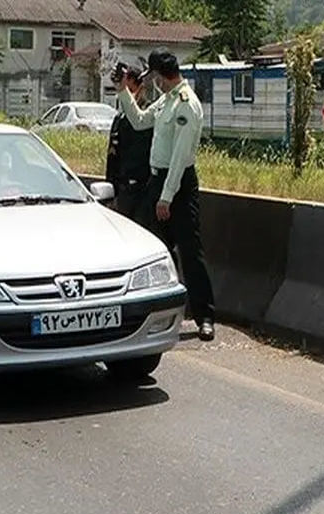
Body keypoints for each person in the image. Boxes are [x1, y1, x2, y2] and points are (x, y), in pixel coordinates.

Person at [117, 49, 216, 342]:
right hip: (157, 180)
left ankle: (205, 317)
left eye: (154, 77)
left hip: (179, 184)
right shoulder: (166, 100)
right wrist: (124, 91)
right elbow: (140, 121)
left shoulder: (187, 105)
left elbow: (179, 156)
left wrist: (167, 198)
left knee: (190, 251)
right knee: (150, 248)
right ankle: (150, 313)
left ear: (161, 76)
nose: (153, 83)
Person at [105, 65, 154, 221]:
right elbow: (112, 157)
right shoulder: (120, 119)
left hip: (144, 186)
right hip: (122, 187)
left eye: (129, 88)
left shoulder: (148, 116)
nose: (128, 95)